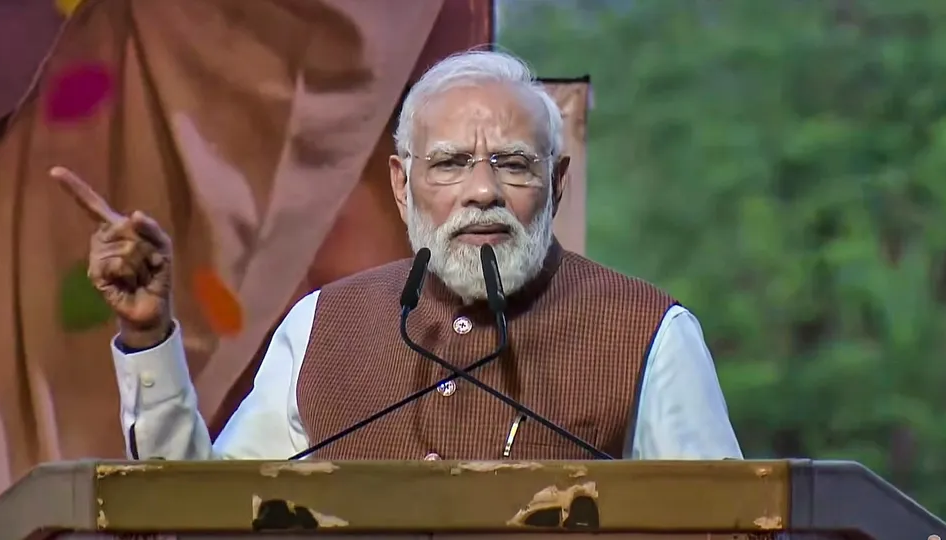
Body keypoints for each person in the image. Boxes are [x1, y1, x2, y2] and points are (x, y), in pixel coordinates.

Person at [53, 50, 742, 462]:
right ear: (401, 183)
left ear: (558, 184)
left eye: (512, 164)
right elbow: (203, 518)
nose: (481, 192)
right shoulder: (323, 325)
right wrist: (147, 338)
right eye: (448, 165)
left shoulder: (651, 334)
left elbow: (727, 525)